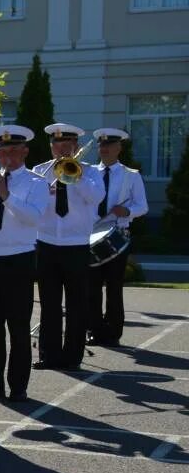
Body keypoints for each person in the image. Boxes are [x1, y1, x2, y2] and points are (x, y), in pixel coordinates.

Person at [0, 125, 49, 404]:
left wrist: (6, 195)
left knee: (18, 328)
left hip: (18, 259)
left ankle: (18, 386)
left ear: (25, 152)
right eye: (3, 152)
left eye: (13, 151)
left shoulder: (35, 182)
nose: (8, 157)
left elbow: (33, 217)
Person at [33, 123, 106, 372]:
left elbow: (96, 197)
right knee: (49, 303)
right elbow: (31, 205)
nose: (61, 150)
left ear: (75, 146)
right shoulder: (40, 171)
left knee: (77, 303)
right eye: (57, 145)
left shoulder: (90, 172)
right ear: (51, 146)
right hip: (46, 243)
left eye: (67, 146)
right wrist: (48, 186)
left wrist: (75, 176)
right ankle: (49, 355)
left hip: (76, 244)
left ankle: (72, 357)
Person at [86, 127, 148, 347]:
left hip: (117, 235)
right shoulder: (89, 172)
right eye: (102, 146)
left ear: (118, 148)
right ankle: (94, 330)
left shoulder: (131, 175)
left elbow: (143, 205)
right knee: (92, 287)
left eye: (109, 146)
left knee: (114, 287)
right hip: (90, 236)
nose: (105, 149)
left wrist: (128, 211)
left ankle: (113, 332)